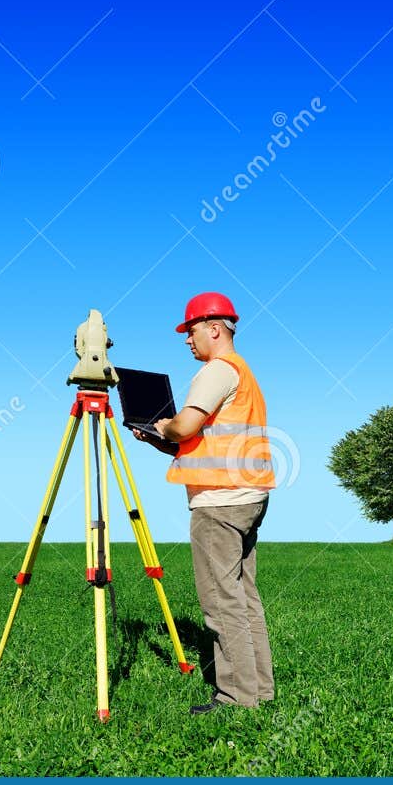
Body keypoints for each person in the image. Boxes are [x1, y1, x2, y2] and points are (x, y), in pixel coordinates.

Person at [130, 292, 276, 714]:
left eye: (190, 331)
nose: (187, 340)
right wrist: (163, 438)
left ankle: (236, 699)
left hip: (219, 504)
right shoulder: (243, 374)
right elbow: (200, 442)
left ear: (214, 328)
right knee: (244, 599)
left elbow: (187, 426)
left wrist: (166, 425)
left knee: (220, 603)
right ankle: (259, 691)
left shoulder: (217, 371)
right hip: (247, 497)